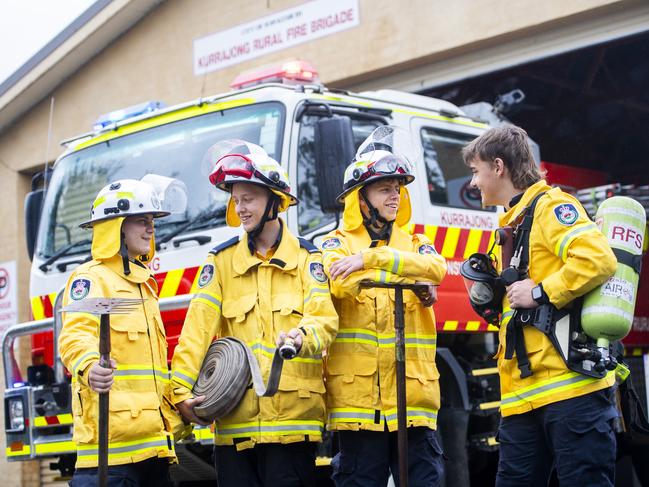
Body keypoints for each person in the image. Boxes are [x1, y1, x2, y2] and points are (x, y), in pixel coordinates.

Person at [170, 140, 338, 487]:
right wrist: (181, 392)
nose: (240, 208)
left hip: (293, 425)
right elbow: (196, 331)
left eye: (248, 199)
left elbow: (323, 320)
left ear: (274, 201)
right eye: (235, 199)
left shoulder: (309, 260)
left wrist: (301, 337)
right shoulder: (220, 263)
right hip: (234, 427)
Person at [462, 125, 618, 486]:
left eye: (475, 171)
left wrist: (541, 291)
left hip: (572, 392)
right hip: (521, 401)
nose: (473, 183)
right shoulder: (510, 227)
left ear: (498, 166)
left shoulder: (552, 207)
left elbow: (599, 260)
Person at [321, 126, 447, 487]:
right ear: (360, 199)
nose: (394, 196)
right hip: (359, 405)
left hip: (414, 402)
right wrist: (407, 276)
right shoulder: (333, 244)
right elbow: (339, 282)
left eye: (397, 189)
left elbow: (436, 268)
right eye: (384, 189)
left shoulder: (416, 241)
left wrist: (371, 259)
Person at [59, 177, 185, 487]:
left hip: (153, 450)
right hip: (109, 460)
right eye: (142, 221)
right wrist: (90, 366)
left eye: (152, 221)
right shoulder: (89, 278)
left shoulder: (145, 284)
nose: (150, 229)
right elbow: (74, 335)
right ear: (117, 228)